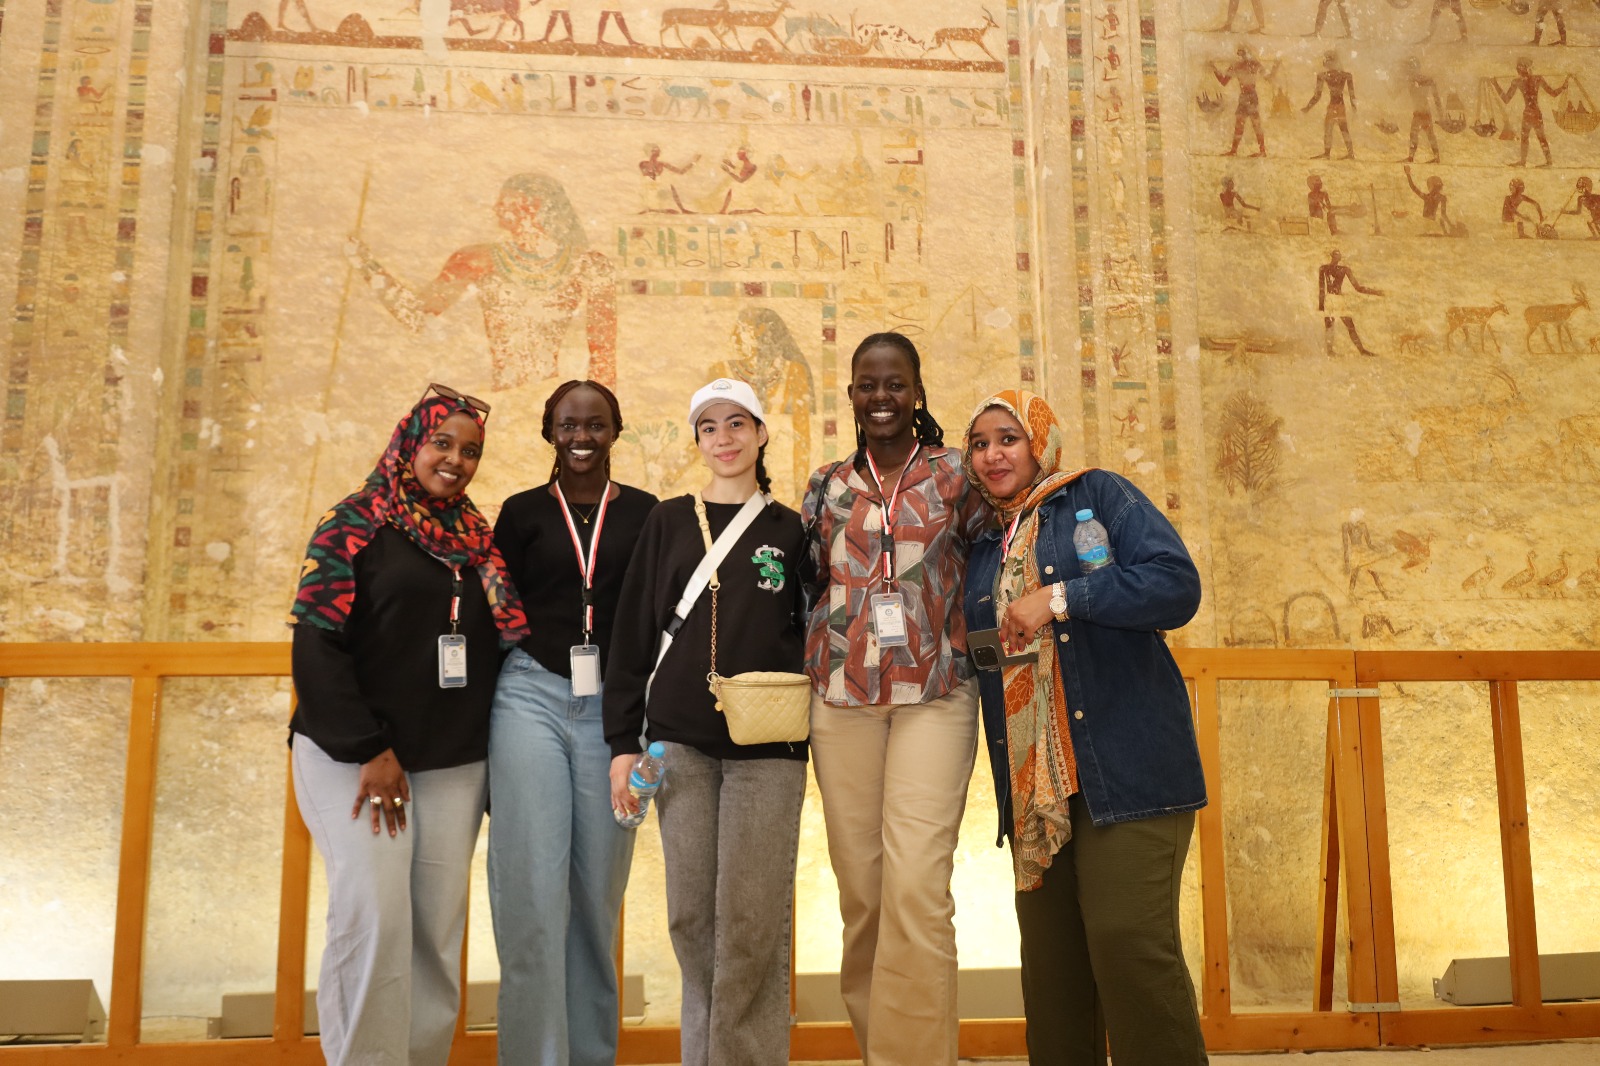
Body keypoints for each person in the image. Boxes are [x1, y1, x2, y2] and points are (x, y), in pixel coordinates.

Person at [961, 389, 1207, 1066]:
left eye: (1008, 438)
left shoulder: (1097, 495)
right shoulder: (983, 544)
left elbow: (1176, 585)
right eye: (979, 443)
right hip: (1034, 790)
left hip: (1125, 768)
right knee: (1054, 973)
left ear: (1040, 440)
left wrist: (1062, 596)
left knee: (1129, 946)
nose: (993, 454)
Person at [287, 384, 529, 1066]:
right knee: (375, 919)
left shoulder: (478, 541)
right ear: (409, 443)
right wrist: (371, 748)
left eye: (470, 451)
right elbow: (316, 645)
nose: (455, 460)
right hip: (356, 758)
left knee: (433, 933)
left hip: (452, 763)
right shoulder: (354, 522)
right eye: (441, 443)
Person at [603, 377, 808, 1066]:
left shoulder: (790, 530)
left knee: (751, 925)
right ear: (697, 441)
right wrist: (621, 743)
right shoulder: (667, 521)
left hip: (769, 750)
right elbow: (633, 635)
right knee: (692, 920)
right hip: (679, 747)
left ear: (761, 433)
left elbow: (812, 632)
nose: (724, 438)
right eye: (709, 427)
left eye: (737, 423)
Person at [800, 333, 990, 1066]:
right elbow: (808, 584)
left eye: (896, 383)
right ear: (851, 394)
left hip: (935, 694)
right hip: (840, 699)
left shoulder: (956, 475)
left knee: (916, 883)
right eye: (867, 384)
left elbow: (997, 557)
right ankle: (881, 1050)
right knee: (863, 891)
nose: (881, 396)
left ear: (916, 391)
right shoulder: (825, 485)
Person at [487, 380, 658, 1066]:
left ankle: (589, 1055)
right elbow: (493, 614)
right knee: (530, 891)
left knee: (596, 897)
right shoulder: (521, 513)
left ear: (615, 430)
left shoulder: (647, 514)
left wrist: (641, 726)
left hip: (614, 714)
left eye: (595, 424)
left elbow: (656, 619)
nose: (581, 436)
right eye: (567, 424)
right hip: (529, 697)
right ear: (549, 432)